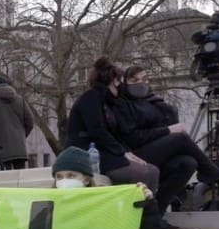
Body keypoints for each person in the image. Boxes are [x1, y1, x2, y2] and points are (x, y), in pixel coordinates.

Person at [112, 65, 219, 216]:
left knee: (188, 163)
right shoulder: (122, 104)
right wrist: (168, 131)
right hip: (135, 154)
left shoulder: (156, 103)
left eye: (144, 79)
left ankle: (157, 215)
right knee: (180, 138)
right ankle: (212, 172)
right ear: (125, 82)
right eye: (134, 80)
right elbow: (133, 137)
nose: (140, 83)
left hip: (157, 153)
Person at [65, 57, 160, 192]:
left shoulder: (104, 101)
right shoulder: (92, 98)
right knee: (143, 173)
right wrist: (122, 152)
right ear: (114, 81)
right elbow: (98, 131)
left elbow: (111, 134)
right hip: (88, 154)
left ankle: (149, 209)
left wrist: (126, 151)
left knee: (152, 170)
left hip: (102, 152)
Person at [0, 76, 34, 170]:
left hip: (1, 150)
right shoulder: (20, 100)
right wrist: (22, 136)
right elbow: (30, 121)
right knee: (20, 179)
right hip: (20, 149)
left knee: (5, 180)